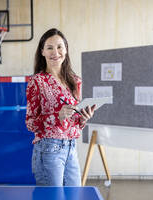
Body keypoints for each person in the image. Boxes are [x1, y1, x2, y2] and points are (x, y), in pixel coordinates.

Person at [25, 28, 96, 186]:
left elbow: (75, 121)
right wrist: (56, 116)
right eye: (49, 47)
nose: (55, 52)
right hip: (48, 150)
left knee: (74, 195)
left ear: (66, 49)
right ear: (42, 51)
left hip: (71, 148)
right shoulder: (37, 82)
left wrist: (83, 118)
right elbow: (30, 123)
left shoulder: (75, 80)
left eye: (59, 47)